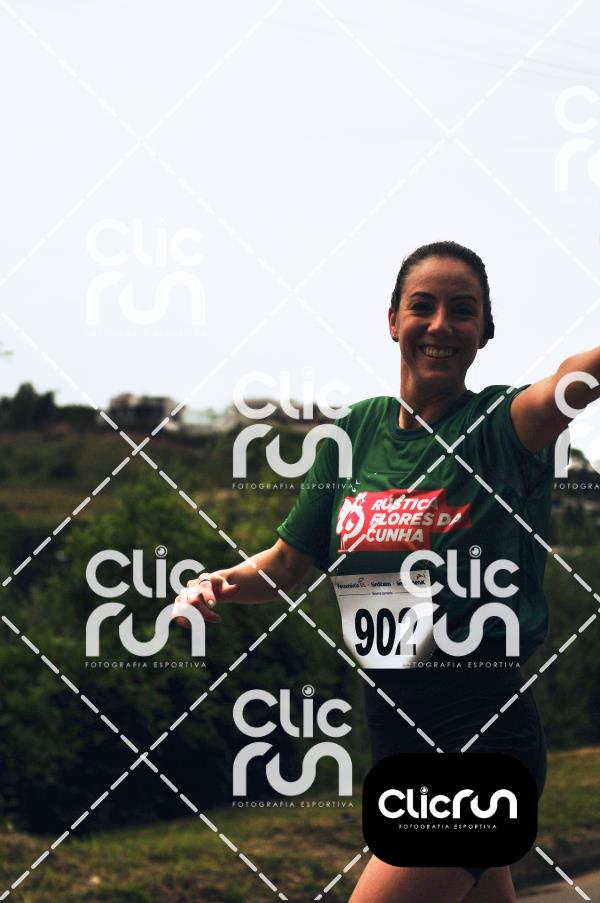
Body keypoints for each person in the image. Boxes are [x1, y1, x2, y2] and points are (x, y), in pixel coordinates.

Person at [174, 241, 600, 902]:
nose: (440, 325)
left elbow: (574, 378)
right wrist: (216, 583)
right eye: (422, 306)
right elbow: (287, 563)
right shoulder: (357, 432)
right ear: (393, 319)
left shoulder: (505, 427)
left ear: (485, 330)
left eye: (463, 310)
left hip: (482, 733)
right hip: (397, 736)